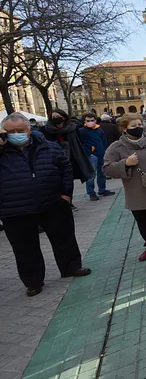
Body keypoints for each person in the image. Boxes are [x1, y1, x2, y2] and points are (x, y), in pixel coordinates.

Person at [0, 113, 91, 296]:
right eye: (10, 132)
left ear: (29, 129)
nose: (16, 134)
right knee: (25, 249)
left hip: (53, 203)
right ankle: (33, 281)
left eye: (20, 130)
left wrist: (66, 195)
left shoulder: (50, 147)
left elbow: (66, 169)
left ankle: (71, 267)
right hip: (15, 210)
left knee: (64, 238)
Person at [103, 113, 146, 261]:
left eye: (140, 125)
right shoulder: (117, 147)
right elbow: (107, 168)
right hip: (136, 190)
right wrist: (125, 163)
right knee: (143, 221)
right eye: (134, 126)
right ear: (124, 128)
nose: (138, 128)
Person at [42, 109, 94, 187]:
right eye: (54, 117)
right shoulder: (46, 130)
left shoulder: (73, 128)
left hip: (73, 157)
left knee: (69, 179)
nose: (56, 118)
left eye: (58, 116)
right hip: (55, 158)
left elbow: (80, 141)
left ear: (64, 117)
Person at [78, 113, 115, 201]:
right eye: (88, 120)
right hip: (92, 155)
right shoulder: (81, 131)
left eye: (92, 120)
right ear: (85, 121)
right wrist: (89, 151)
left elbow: (103, 141)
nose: (90, 122)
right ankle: (91, 193)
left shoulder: (99, 130)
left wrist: (106, 151)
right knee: (91, 175)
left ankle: (102, 189)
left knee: (102, 173)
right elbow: (80, 144)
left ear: (95, 120)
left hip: (101, 153)